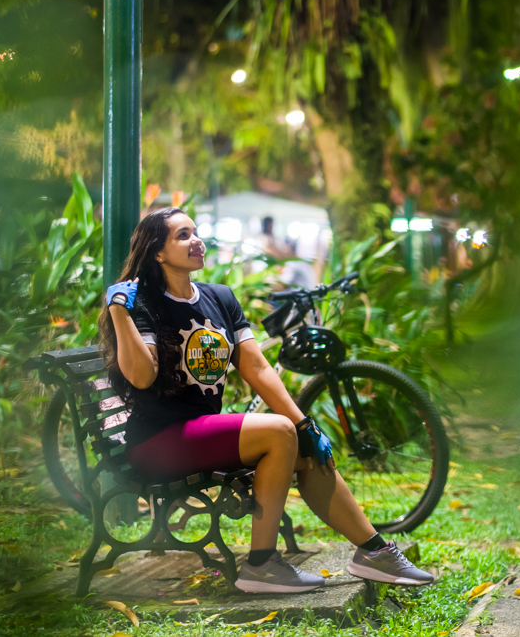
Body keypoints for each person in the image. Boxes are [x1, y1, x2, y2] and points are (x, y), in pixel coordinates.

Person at [97, 208, 433, 593]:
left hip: (198, 433)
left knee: (305, 450)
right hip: (157, 442)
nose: (197, 241)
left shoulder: (219, 298)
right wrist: (119, 311)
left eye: (197, 232)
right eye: (183, 235)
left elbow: (256, 367)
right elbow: (141, 375)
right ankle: (261, 565)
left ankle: (373, 552)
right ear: (157, 252)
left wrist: (305, 424)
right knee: (277, 432)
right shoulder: (144, 304)